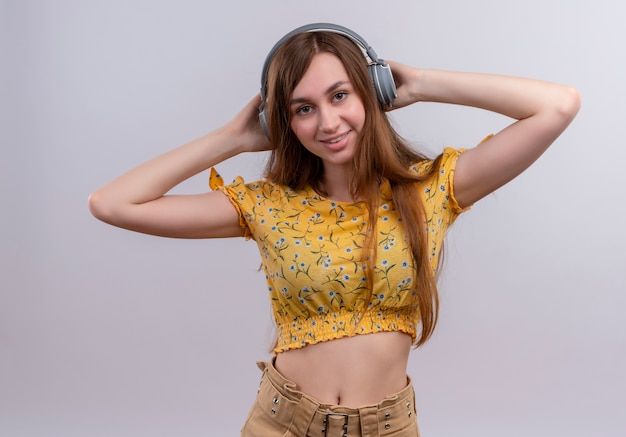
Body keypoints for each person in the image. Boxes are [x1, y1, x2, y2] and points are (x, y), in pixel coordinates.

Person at [88, 23, 580, 437]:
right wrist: (231, 138)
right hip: (281, 424)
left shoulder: (430, 190)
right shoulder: (268, 207)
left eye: (340, 95)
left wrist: (421, 83)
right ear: (285, 122)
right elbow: (112, 203)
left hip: (388, 427)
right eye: (303, 108)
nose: (327, 122)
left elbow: (557, 105)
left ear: (372, 93)